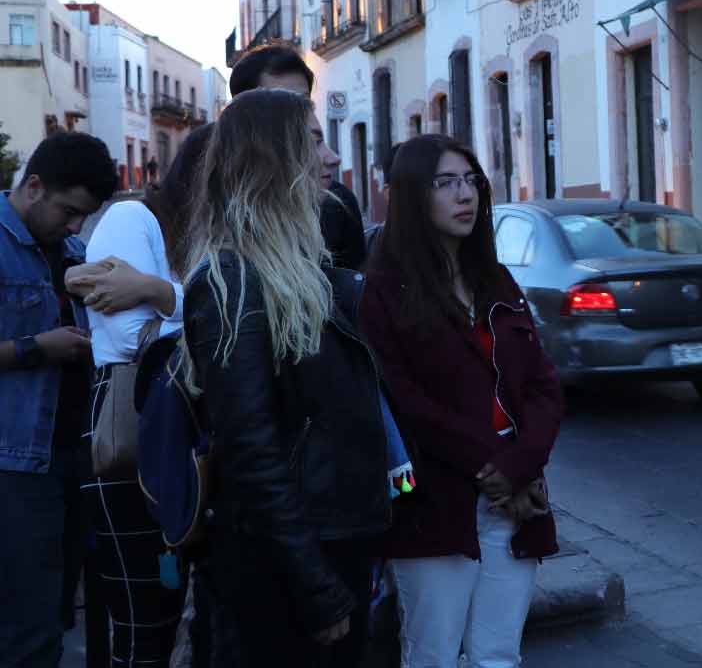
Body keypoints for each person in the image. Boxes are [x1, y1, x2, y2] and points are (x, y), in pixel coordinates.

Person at [180, 89, 391, 666]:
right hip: (287, 565)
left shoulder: (307, 268)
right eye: (314, 141)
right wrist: (314, 586)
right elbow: (251, 452)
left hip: (334, 544)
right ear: (273, 158)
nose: (331, 159)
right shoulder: (231, 278)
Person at [361, 135, 562, 668]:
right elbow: (402, 400)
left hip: (514, 497)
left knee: (498, 654)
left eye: (470, 181)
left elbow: (542, 384)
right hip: (434, 502)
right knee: (433, 655)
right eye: (446, 183)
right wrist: (490, 465)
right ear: (411, 196)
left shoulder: (496, 281)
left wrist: (520, 464)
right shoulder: (385, 291)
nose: (464, 195)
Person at [64, 125, 213, 668]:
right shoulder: (134, 219)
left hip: (186, 432)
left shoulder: (205, 241)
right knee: (143, 625)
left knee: (183, 620)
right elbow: (133, 338)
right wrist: (180, 300)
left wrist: (157, 292)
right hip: (134, 427)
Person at [0, 132, 118, 667]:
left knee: (52, 615)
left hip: (71, 456)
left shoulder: (73, 252)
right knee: (28, 626)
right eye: (69, 212)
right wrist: (36, 348)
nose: (74, 227)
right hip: (15, 467)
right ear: (34, 186)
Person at [228, 41, 366, 269]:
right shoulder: (218, 209)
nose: (296, 112)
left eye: (303, 102)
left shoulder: (337, 204)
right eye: (280, 101)